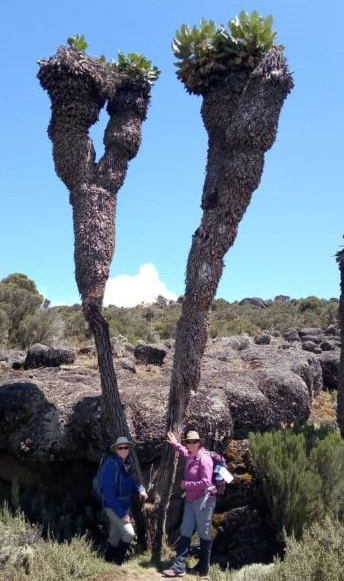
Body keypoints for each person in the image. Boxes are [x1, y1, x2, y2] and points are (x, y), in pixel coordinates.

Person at [162, 430, 216, 578]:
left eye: (194, 442)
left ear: (200, 443)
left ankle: (203, 567)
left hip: (204, 501)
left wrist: (187, 485)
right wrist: (175, 444)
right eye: (189, 442)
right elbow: (183, 451)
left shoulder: (204, 459)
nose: (191, 445)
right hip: (190, 501)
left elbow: (206, 482)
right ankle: (179, 567)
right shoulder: (191, 455)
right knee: (185, 530)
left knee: (204, 533)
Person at [100, 436, 148, 565]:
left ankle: (108, 561)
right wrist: (122, 514)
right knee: (129, 533)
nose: (123, 450)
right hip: (113, 507)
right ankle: (119, 561)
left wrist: (140, 489)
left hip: (124, 506)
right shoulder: (111, 466)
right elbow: (109, 495)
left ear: (129, 449)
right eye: (120, 448)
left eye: (125, 447)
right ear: (115, 450)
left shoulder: (125, 464)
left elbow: (131, 483)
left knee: (115, 537)